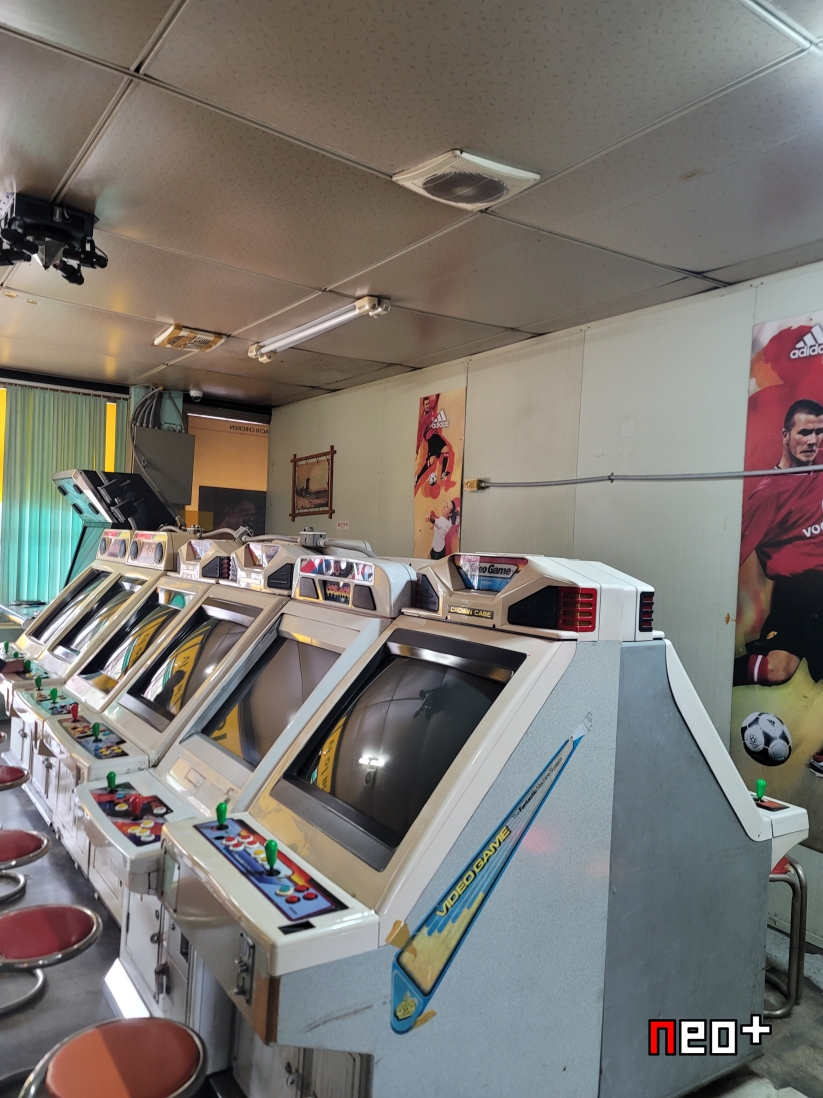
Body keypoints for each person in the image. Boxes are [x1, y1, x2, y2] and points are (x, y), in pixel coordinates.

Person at [735, 398, 823, 692]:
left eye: (819, 432)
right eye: (804, 433)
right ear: (786, 436)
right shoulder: (768, 494)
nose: (812, 441)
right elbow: (735, 552)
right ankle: (711, 672)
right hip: (797, 590)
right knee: (776, 670)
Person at [415, 395, 454, 487]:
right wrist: (416, 450)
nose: (427, 406)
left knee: (444, 451)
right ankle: (418, 477)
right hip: (432, 439)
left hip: (436, 437)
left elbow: (436, 400)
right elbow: (420, 436)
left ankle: (442, 473)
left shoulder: (432, 409)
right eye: (426, 404)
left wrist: (438, 393)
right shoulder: (423, 420)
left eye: (428, 403)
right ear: (423, 406)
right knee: (432, 460)